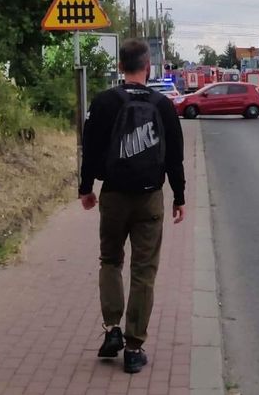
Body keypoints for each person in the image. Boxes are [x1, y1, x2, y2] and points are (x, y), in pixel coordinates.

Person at [79, 39, 187, 375]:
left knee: (110, 260)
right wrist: (179, 196)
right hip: (150, 197)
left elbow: (90, 148)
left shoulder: (104, 101)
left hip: (113, 195)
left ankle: (112, 328)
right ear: (148, 67)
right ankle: (134, 347)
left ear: (120, 66)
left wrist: (86, 188)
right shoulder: (162, 105)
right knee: (144, 272)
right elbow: (175, 155)